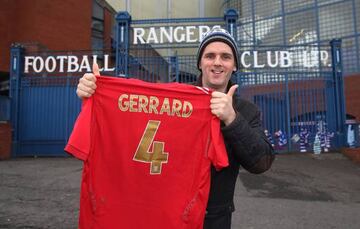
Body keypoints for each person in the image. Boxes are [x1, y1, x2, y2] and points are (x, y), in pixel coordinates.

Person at [76, 27, 275, 229]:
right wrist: (97, 94)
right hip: (169, 214)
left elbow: (261, 162)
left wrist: (232, 119)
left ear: (234, 66)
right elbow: (127, 121)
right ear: (200, 63)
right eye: (210, 56)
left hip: (214, 219)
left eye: (225, 57)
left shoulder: (246, 111)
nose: (217, 62)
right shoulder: (175, 100)